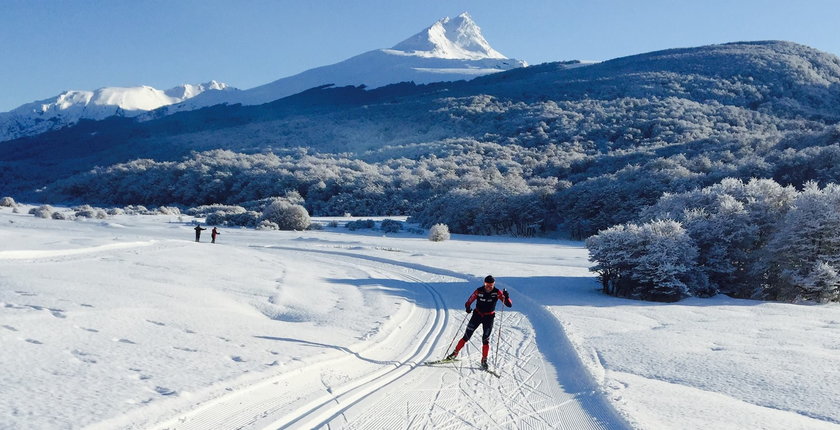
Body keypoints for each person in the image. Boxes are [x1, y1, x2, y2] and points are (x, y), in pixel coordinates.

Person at [446, 275, 512, 369]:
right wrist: (468, 307)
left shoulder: (497, 292)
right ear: (484, 284)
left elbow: (508, 304)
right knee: (466, 336)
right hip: (477, 315)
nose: (488, 287)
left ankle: (484, 360)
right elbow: (469, 301)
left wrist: (506, 296)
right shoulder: (479, 290)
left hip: (489, 317)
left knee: (486, 339)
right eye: (486, 285)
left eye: (491, 285)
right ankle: (454, 353)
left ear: (494, 284)